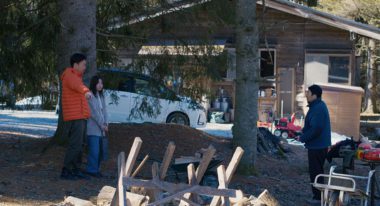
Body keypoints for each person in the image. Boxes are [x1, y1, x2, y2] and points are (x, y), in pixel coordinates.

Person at [297, 84, 331, 204]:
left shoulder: (318, 108)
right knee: (316, 171)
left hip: (318, 146)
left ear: (314, 95)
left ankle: (318, 198)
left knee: (316, 172)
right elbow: (312, 125)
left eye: (308, 93)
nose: (306, 95)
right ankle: (318, 196)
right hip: (317, 145)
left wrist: (303, 137)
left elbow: (317, 128)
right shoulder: (316, 106)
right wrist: (303, 132)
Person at [60, 53, 92, 180]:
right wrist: (86, 91)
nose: (85, 67)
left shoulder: (76, 76)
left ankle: (75, 169)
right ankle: (66, 170)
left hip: (80, 116)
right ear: (76, 64)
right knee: (75, 145)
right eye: (83, 64)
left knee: (80, 144)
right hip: (75, 117)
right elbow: (78, 86)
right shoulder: (69, 75)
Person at [86, 75, 108, 177]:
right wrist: (102, 125)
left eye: (102, 83)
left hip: (102, 129)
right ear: (94, 84)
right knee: (94, 151)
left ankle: (97, 169)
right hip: (93, 128)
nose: (100, 85)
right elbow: (94, 113)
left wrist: (106, 124)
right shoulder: (90, 95)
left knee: (100, 152)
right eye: (98, 83)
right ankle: (91, 170)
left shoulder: (101, 96)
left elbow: (105, 111)